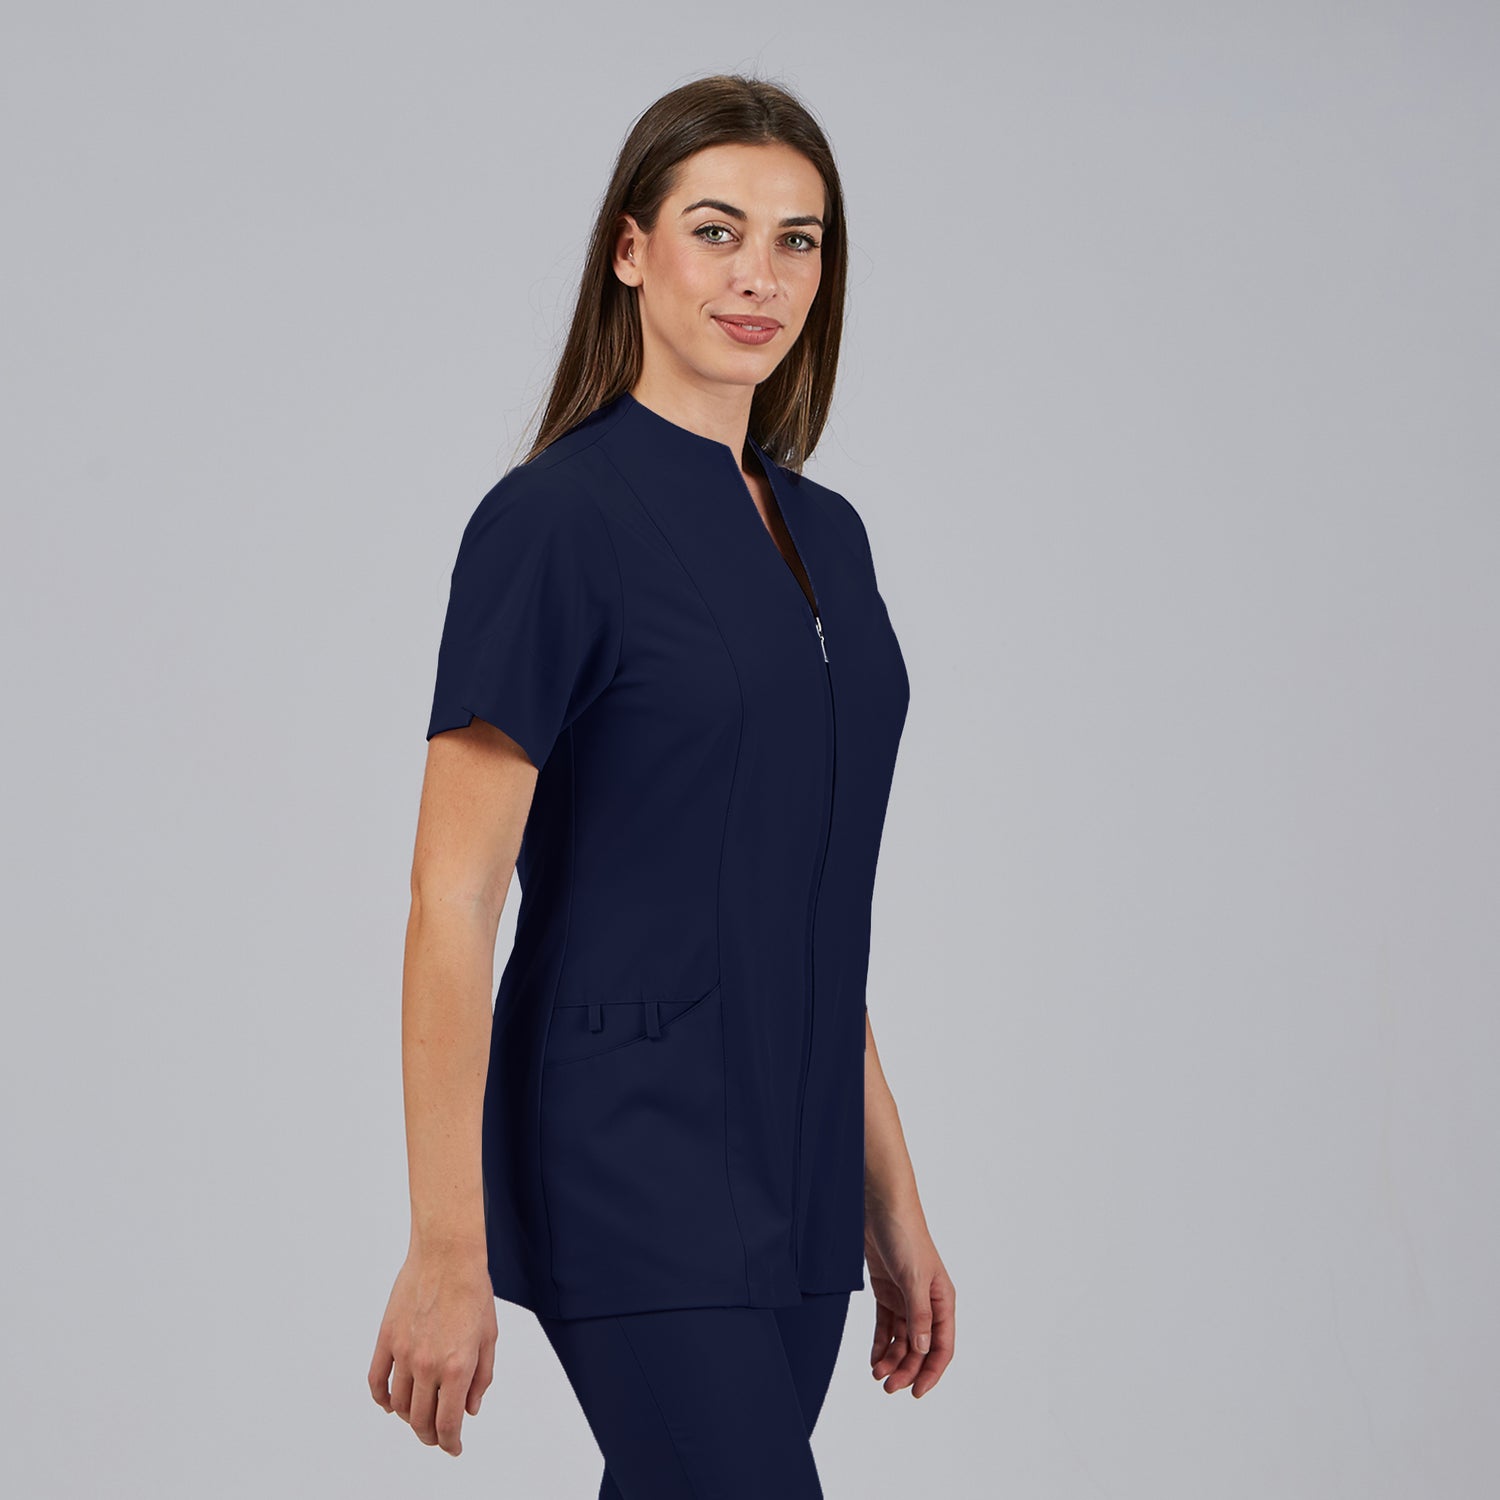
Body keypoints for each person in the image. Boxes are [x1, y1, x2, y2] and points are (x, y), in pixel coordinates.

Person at [368, 73, 956, 1496]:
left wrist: (892, 1199)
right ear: (632, 251)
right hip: (628, 1148)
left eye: (799, 240)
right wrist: (446, 1243)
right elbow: (453, 898)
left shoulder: (830, 538)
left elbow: (800, 904)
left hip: (798, 1163)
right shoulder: (553, 523)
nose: (761, 275)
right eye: (717, 230)